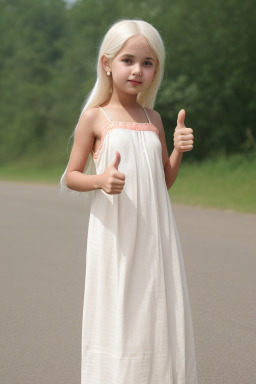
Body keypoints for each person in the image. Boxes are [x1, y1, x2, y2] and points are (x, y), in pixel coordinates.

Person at [61, 18, 198, 384]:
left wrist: (178, 149)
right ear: (107, 63)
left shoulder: (153, 118)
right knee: (120, 308)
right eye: (128, 60)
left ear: (156, 70)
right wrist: (101, 179)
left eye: (148, 62)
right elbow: (71, 176)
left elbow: (162, 181)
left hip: (155, 233)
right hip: (116, 234)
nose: (137, 70)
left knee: (155, 308)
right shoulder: (95, 117)